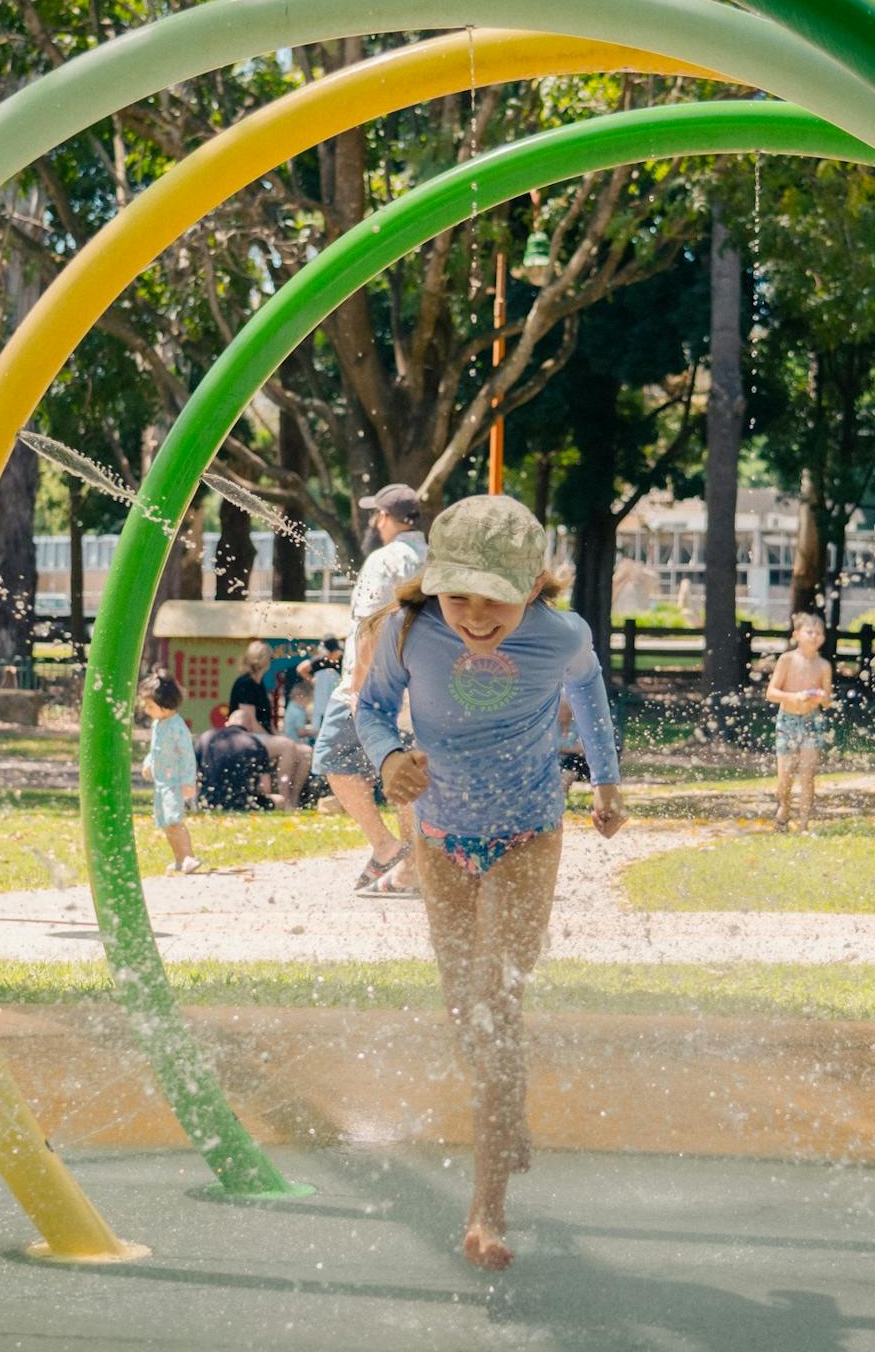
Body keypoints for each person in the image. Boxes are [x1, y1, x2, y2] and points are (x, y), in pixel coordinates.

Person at [355, 494, 625, 1271]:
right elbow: (371, 710)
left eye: (494, 599)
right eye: (457, 594)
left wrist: (605, 782)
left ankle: (487, 1209)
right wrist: (388, 759)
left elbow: (590, 695)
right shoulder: (409, 630)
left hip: (528, 835)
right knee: (461, 1009)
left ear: (533, 588)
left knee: (494, 1001)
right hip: (437, 837)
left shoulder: (561, 635)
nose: (473, 615)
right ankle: (511, 1115)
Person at [311, 485, 430, 896]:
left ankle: (385, 847)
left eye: (375, 516)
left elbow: (370, 626)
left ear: (385, 517)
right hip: (423, 687)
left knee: (331, 756)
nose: (374, 524)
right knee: (407, 774)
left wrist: (357, 686)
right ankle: (413, 867)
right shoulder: (435, 560)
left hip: (375, 685)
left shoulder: (384, 560)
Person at [765, 612, 834, 831]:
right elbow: (771, 693)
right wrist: (793, 697)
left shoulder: (823, 665)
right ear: (797, 635)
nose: (814, 636)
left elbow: (828, 701)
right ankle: (784, 807)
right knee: (785, 776)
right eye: (809, 631)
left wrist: (823, 698)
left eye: (819, 633)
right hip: (787, 721)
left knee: (807, 775)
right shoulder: (787, 660)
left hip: (812, 721)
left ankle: (804, 824)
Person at [139, 672, 200, 875]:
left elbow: (187, 755)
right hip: (162, 783)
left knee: (174, 820)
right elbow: (154, 749)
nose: (146, 710)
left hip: (174, 783)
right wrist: (149, 763)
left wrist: (188, 781)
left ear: (165, 704)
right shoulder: (159, 724)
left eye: (150, 706)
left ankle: (188, 857)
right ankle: (179, 859)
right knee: (166, 823)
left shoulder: (177, 727)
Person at [196, 714, 273, 812]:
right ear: (250, 727)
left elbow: (194, 778)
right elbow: (265, 788)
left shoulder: (206, 737)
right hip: (245, 803)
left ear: (227, 723)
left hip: (208, 803)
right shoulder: (255, 743)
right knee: (279, 800)